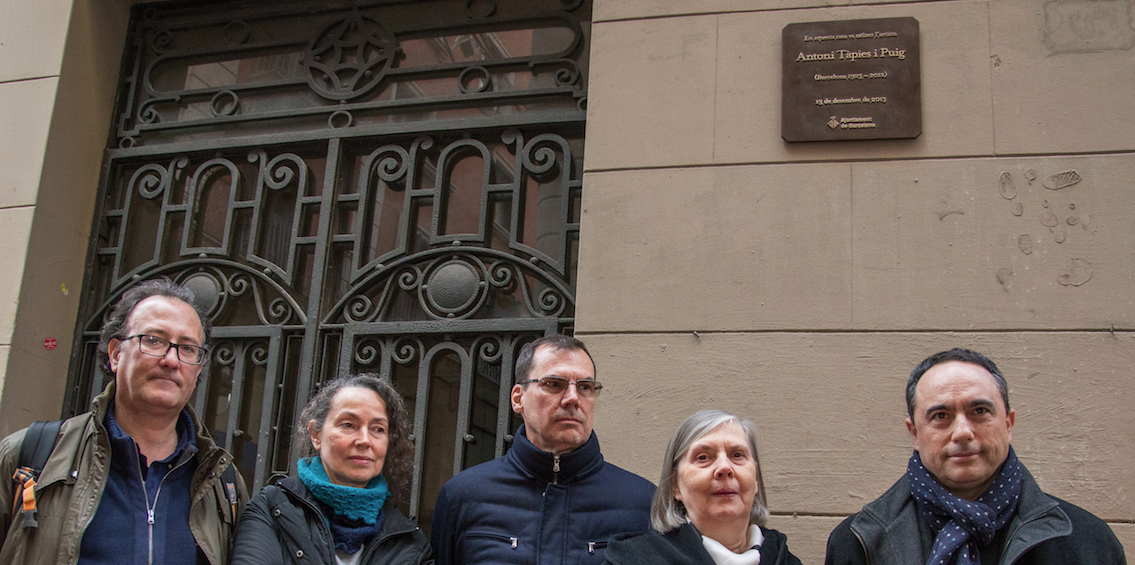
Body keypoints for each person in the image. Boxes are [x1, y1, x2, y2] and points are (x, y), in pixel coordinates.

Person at [0, 279, 248, 565]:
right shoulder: (31, 457)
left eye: (188, 348)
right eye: (154, 340)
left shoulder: (224, 485)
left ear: (198, 368)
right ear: (116, 354)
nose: (171, 359)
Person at [825, 348, 1127, 565]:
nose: (962, 432)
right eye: (941, 415)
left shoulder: (1087, 541)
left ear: (1008, 424)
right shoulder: (858, 544)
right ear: (914, 433)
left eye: (979, 411)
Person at [430, 334, 655, 565]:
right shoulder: (463, 497)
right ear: (518, 398)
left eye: (585, 386)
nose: (573, 398)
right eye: (554, 384)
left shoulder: (644, 503)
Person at [231, 373, 430, 565]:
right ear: (316, 435)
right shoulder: (272, 509)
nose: (364, 440)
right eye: (348, 424)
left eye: (378, 429)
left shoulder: (410, 541)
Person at [604, 409, 802, 565]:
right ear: (675, 486)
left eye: (737, 455)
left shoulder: (784, 559)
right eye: (703, 457)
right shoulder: (632, 559)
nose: (724, 468)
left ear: (756, 479)